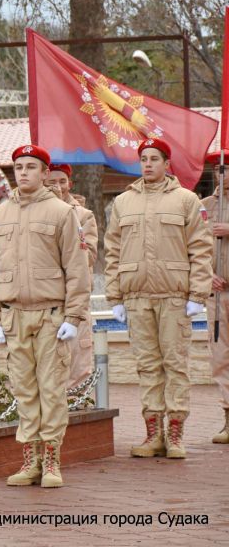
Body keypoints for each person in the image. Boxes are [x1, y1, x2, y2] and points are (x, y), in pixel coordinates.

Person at [0, 145, 90, 488]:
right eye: (18, 166)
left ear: (45, 173)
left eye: (31, 166)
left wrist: (74, 317)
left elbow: (77, 269)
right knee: (24, 390)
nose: (23, 172)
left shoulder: (61, 212)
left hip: (50, 316)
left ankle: (52, 461)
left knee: (52, 389)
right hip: (14, 317)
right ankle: (30, 461)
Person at [105, 138, 213, 459]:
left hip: (174, 296)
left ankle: (176, 434)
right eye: (143, 159)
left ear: (168, 164)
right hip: (137, 296)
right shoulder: (123, 202)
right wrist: (115, 296)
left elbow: (201, 249)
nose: (148, 164)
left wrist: (198, 294)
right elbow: (112, 252)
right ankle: (154, 434)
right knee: (147, 366)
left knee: (175, 364)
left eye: (154, 159)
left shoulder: (186, 200)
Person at [46, 163, 99, 388]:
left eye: (62, 181)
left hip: (74, 297)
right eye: (51, 182)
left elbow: (89, 255)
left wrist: (67, 221)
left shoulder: (84, 216)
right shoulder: (33, 213)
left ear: (70, 183)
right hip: (46, 296)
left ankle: (78, 412)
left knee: (78, 362)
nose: (58, 186)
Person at [201, 150, 229, 444]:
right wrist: (207, 275)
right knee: (221, 358)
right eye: (217, 170)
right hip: (218, 296)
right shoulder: (204, 208)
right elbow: (192, 249)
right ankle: (228, 415)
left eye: (225, 168)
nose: (220, 174)